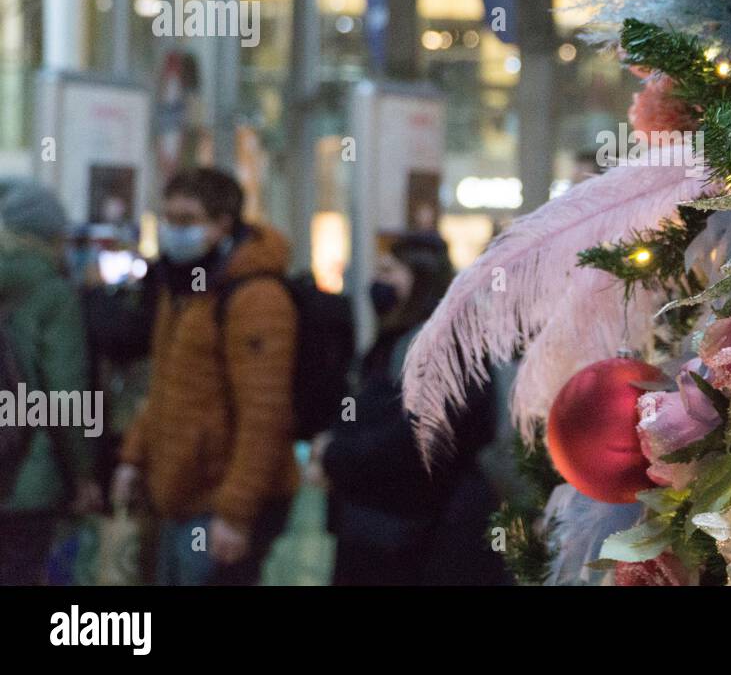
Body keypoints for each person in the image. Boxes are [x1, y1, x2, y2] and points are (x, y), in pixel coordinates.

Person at [111, 168, 297, 585]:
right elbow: (165, 386)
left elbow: (264, 415)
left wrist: (236, 514)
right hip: (177, 492)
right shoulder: (181, 288)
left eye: (188, 220)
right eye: (168, 218)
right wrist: (134, 457)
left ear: (222, 224)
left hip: (219, 500)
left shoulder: (255, 296)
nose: (173, 231)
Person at [315, 233, 506, 585]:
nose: (378, 283)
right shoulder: (399, 339)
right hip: (386, 524)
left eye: (389, 272)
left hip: (415, 532)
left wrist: (338, 454)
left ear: (421, 279)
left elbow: (416, 436)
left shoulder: (440, 343)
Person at [0, 181, 100, 585]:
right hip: (27, 478)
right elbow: (66, 397)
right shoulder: (53, 293)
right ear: (47, 236)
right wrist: (84, 473)